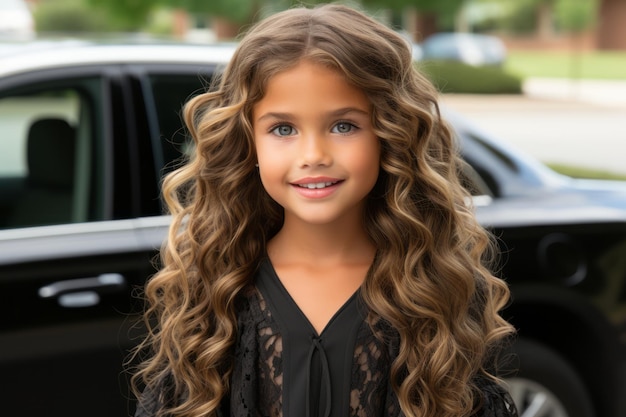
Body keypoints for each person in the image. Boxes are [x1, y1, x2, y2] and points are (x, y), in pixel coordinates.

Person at [131, 3, 517, 417]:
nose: (313, 155)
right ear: (248, 142)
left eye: (343, 126)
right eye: (283, 129)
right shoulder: (215, 283)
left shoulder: (434, 285)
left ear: (390, 133)